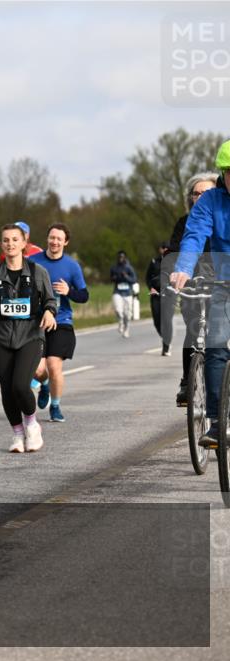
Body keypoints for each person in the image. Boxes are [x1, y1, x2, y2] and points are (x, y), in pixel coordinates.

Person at [0, 223, 58, 453]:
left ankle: (32, 425)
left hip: (30, 336)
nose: (10, 244)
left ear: (24, 243)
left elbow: (50, 301)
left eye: (15, 239)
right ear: (1, 245)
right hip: (1, 338)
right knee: (6, 389)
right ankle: (17, 434)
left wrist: (49, 312)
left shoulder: (38, 272)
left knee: (20, 385)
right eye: (6, 240)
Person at [170, 140, 230, 446]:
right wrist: (183, 267)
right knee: (216, 346)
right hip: (224, 284)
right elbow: (194, 235)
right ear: (222, 173)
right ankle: (218, 423)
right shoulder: (210, 201)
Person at [29, 223, 89, 423]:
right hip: (35, 323)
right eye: (52, 237)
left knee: (54, 366)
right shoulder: (32, 262)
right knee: (37, 369)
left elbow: (84, 296)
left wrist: (69, 291)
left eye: (59, 239)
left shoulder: (72, 266)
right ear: (47, 239)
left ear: (66, 242)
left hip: (61, 321)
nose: (55, 242)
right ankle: (44, 383)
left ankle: (55, 406)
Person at [171, 172, 220, 406]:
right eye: (196, 193)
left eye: (205, 193)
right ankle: (187, 381)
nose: (200, 197)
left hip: (222, 283)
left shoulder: (222, 218)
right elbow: (175, 250)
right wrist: (171, 273)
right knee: (194, 329)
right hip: (194, 285)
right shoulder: (185, 223)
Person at [146, 241, 173, 356]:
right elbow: (148, 277)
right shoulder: (154, 261)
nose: (165, 250)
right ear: (160, 249)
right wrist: (151, 287)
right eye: (163, 248)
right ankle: (165, 337)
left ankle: (166, 346)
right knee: (157, 321)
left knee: (166, 320)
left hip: (169, 294)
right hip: (156, 294)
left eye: (167, 248)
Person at [110, 250, 138, 338]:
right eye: (119, 257)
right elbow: (111, 278)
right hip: (117, 292)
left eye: (122, 257)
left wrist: (126, 277)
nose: (120, 259)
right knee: (118, 310)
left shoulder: (129, 268)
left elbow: (134, 280)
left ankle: (126, 329)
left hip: (128, 293)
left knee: (127, 314)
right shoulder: (114, 268)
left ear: (125, 258)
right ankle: (120, 322)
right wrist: (116, 278)